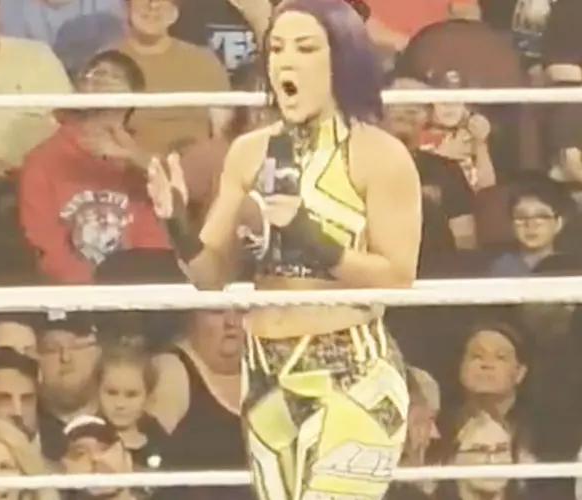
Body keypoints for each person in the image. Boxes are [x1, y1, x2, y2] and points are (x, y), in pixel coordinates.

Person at [145, 0, 422, 499]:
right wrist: (176, 222)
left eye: (305, 48)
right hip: (265, 375)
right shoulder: (248, 151)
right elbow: (210, 277)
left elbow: (397, 277)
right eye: (277, 49)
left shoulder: (379, 154)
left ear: (341, 59)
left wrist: (310, 237)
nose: (286, 62)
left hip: (351, 373)